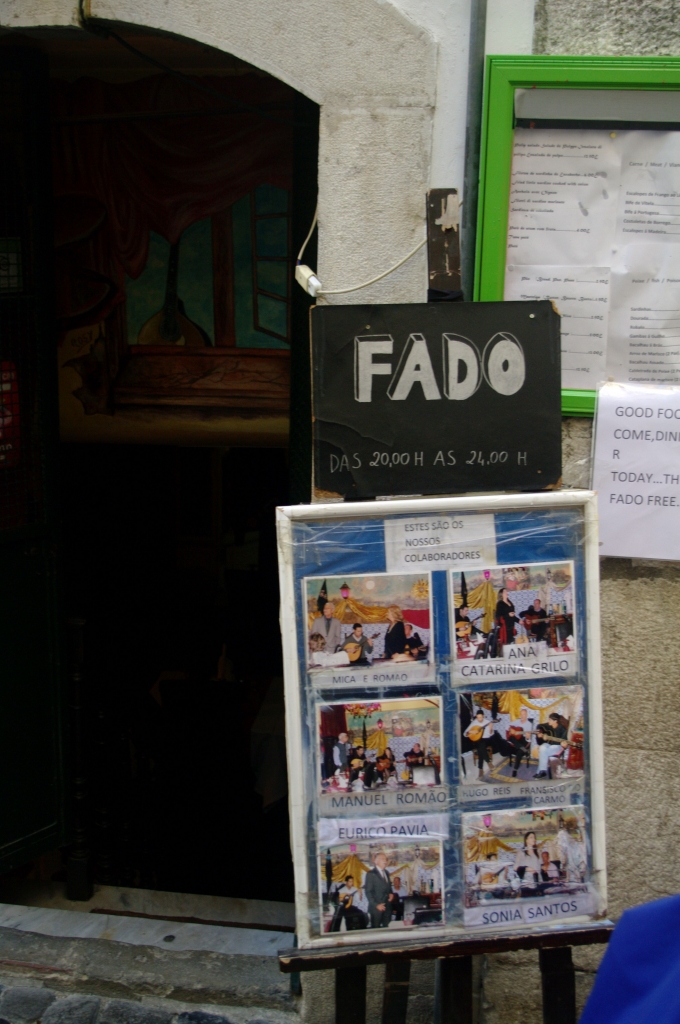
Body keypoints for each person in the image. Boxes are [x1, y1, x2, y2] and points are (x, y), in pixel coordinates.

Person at [463, 709, 514, 780]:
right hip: (477, 740)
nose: (479, 719)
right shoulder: (474, 722)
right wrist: (471, 731)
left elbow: (491, 734)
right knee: (481, 746)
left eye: (480, 717)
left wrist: (490, 729)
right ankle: (488, 762)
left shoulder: (487, 722)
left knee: (481, 745)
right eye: (478, 717)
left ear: (483, 716)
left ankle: (480, 769)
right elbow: (465, 733)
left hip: (486, 740)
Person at [365, 851, 396, 928]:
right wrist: (376, 905)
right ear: (376, 861)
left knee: (387, 929)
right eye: (382, 859)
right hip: (376, 909)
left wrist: (391, 893)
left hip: (387, 907)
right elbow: (368, 892)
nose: (385, 860)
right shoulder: (371, 874)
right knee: (376, 930)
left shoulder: (387, 873)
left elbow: (389, 888)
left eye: (385, 859)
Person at [534, 713, 569, 778]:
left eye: (550, 720)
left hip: (557, 746)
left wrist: (564, 745)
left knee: (543, 752)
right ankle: (543, 771)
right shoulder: (548, 726)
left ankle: (540, 771)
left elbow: (565, 744)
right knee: (542, 747)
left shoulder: (562, 729)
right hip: (548, 744)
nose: (548, 721)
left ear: (555, 721)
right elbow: (539, 726)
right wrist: (539, 734)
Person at [507, 706, 535, 778]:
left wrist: (528, 737)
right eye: (521, 714)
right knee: (510, 737)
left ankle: (515, 769)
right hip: (517, 741)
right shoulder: (517, 721)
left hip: (524, 740)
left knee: (519, 751)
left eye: (524, 714)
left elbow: (528, 739)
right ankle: (524, 749)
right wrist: (511, 730)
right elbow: (508, 726)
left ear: (526, 715)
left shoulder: (529, 724)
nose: (522, 716)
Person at [514, 830, 542, 896]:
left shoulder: (538, 851)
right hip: (526, 885)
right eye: (531, 837)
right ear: (526, 840)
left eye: (534, 837)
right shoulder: (521, 852)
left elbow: (540, 866)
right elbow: (515, 867)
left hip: (537, 884)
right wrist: (527, 868)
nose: (534, 839)